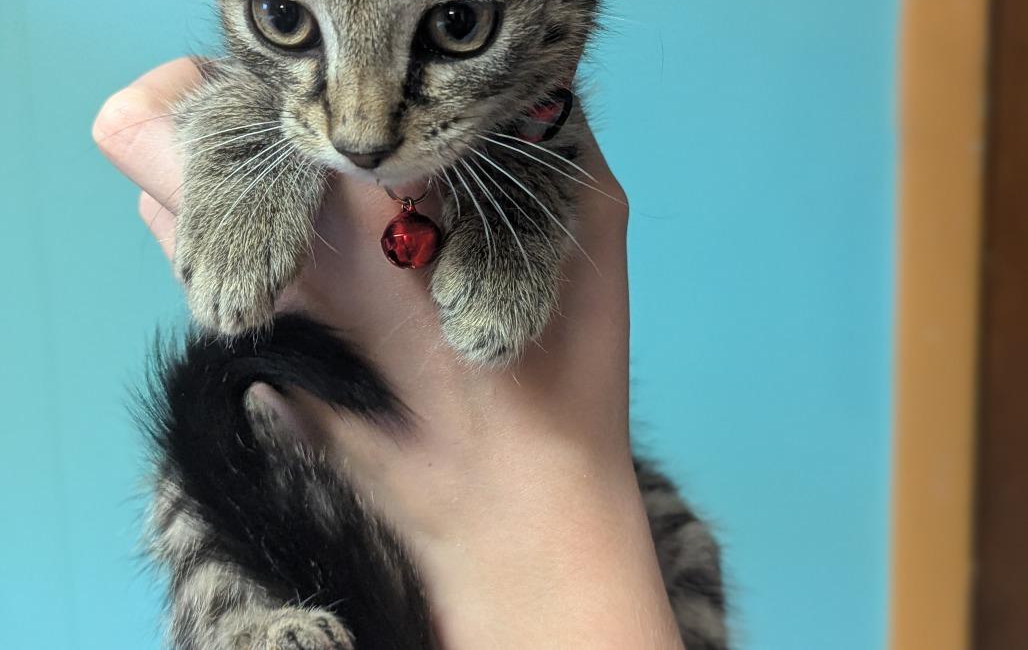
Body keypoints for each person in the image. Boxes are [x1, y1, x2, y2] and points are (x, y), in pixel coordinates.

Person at [94, 57, 687, 649]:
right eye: (284, 17)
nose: (364, 129)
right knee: (216, 468)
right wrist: (240, 134)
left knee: (681, 541)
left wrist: (523, 205)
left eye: (457, 20)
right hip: (291, 500)